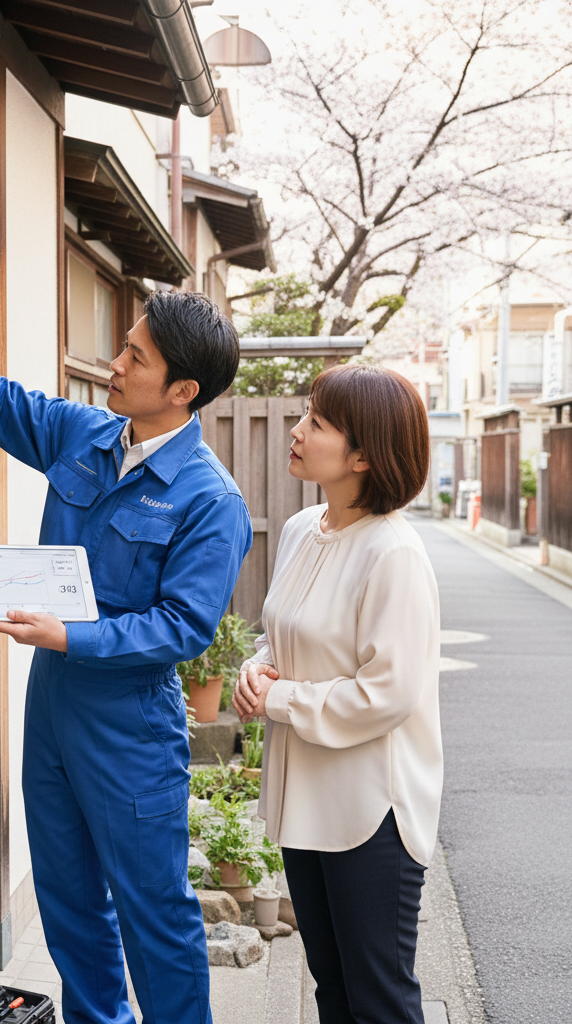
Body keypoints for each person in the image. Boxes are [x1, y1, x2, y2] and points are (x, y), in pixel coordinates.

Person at [0, 245, 251, 1024]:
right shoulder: (86, 435)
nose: (114, 364)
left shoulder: (213, 502)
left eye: (134, 357)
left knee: (156, 919)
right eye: (123, 345)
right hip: (51, 713)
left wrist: (73, 636)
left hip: (130, 727)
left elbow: (183, 627)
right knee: (69, 904)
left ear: (182, 390)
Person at [232, 363, 441, 1024]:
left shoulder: (394, 554)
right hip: (305, 799)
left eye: (317, 423)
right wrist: (257, 669)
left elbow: (388, 693)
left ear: (364, 456)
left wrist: (280, 700)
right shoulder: (303, 530)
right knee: (333, 991)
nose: (297, 431)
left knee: (378, 1000)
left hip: (370, 812)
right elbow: (287, 636)